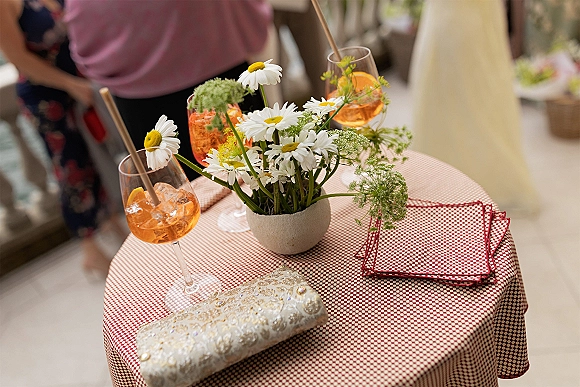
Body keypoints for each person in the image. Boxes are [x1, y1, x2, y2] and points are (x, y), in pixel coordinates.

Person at [65, 0, 273, 181]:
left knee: (261, 177)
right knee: (264, 179)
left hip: (145, 96)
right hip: (217, 60)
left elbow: (86, 41)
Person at [0, 0, 127, 277]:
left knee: (95, 160)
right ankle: (89, 247)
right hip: (48, 97)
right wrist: (71, 85)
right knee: (71, 168)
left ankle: (111, 224)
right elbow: (18, 59)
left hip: (77, 86)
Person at [409, 0, 540, 215]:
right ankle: (456, 182)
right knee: (467, 99)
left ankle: (464, 184)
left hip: (465, 18)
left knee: (470, 99)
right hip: (465, 17)